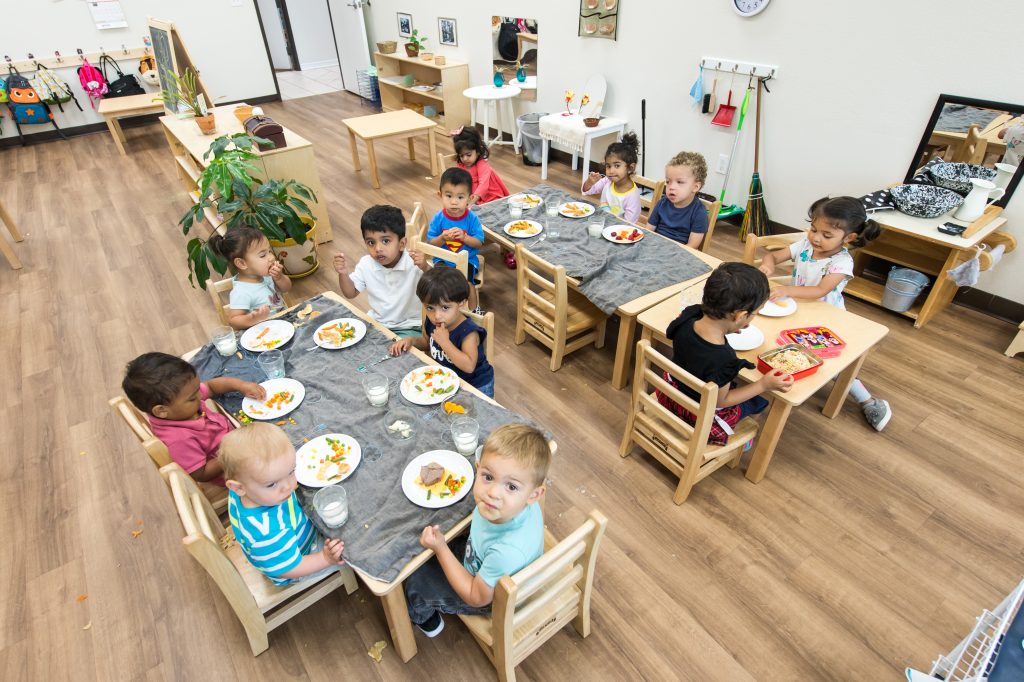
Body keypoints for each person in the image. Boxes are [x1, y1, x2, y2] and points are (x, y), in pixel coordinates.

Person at [758, 196, 892, 431]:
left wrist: (788, 289)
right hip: (797, 310)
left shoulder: (841, 263)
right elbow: (774, 255)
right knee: (778, 343)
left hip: (827, 319)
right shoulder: (805, 245)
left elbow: (821, 290)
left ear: (849, 238)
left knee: (833, 365)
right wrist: (768, 263)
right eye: (813, 229)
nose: (816, 238)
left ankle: (867, 400)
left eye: (826, 235)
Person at [404, 423, 549, 637]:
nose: (492, 493)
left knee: (415, 580)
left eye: (511, 487)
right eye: (488, 477)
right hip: (484, 560)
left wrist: (442, 549)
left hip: (492, 596)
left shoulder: (506, 553)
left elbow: (476, 596)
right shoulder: (517, 504)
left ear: (533, 495)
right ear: (478, 466)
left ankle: (427, 620)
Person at [658, 263, 793, 445]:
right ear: (740, 316)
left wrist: (726, 329)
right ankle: (739, 443)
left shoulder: (689, 316)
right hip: (698, 415)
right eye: (754, 314)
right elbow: (721, 401)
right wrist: (763, 384)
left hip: (670, 392)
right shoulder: (724, 359)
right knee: (759, 403)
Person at [220, 423, 346, 584]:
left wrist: (275, 483)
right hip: (298, 561)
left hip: (282, 546)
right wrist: (325, 558)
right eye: (272, 484)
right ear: (238, 488)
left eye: (291, 471)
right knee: (350, 550)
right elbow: (288, 569)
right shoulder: (266, 532)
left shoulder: (246, 487)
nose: (289, 486)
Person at [121, 352, 266, 484]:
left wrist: (240, 385)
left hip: (237, 440)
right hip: (233, 471)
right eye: (192, 398)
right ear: (161, 411)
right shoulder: (179, 439)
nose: (200, 396)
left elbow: (211, 387)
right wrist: (233, 450)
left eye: (197, 389)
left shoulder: (180, 405)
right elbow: (201, 473)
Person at [389, 267, 495, 398]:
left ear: (462, 302)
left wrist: (445, 342)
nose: (437, 315)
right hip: (447, 379)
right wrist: (411, 340)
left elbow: (469, 366)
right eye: (430, 308)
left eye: (445, 307)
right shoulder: (433, 321)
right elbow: (428, 343)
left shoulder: (468, 332)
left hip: (476, 386)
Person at [334, 205, 429, 338]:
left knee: (400, 354)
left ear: (402, 244)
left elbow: (439, 284)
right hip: (376, 324)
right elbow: (350, 293)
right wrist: (343, 273)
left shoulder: (414, 262)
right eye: (371, 242)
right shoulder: (366, 264)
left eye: (385, 241)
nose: (378, 248)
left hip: (411, 326)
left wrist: (425, 267)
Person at [208, 226, 293, 330]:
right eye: (263, 255)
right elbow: (233, 321)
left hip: (285, 324)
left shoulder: (266, 275)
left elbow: (287, 288)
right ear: (242, 263)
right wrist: (253, 318)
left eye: (269, 251)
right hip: (265, 335)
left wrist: (279, 278)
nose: (271, 257)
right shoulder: (241, 292)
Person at [427, 167, 486, 312]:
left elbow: (479, 242)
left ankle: (474, 311)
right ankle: (444, 309)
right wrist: (442, 238)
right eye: (449, 196)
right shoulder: (438, 218)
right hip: (442, 260)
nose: (454, 202)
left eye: (460, 197)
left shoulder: (472, 219)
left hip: (468, 260)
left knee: (467, 283)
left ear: (470, 198)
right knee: (441, 284)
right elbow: (431, 243)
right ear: (440, 195)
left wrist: (465, 238)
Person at [647, 151, 710, 248]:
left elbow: (692, 246)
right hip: (654, 246)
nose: (671, 187)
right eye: (668, 181)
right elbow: (648, 231)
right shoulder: (662, 203)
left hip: (679, 253)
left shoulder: (699, 212)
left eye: (680, 182)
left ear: (695, 187)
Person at [581, 131, 642, 223]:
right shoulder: (607, 181)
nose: (611, 171)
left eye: (617, 166)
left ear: (630, 168)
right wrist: (590, 182)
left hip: (619, 232)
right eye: (608, 166)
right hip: (601, 223)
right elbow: (586, 191)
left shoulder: (633, 196)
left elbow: (628, 224)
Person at [452, 127, 510, 206]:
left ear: (478, 151)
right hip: (473, 199)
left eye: (468, 155)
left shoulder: (482, 164)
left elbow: (483, 186)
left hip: (491, 197)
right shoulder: (460, 165)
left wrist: (470, 203)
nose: (465, 159)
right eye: (461, 155)